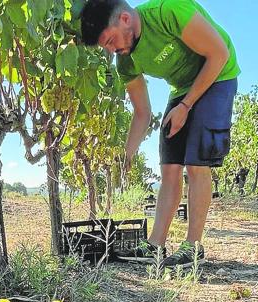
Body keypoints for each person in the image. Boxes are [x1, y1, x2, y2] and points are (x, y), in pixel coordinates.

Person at [81, 0, 240, 267]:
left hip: (217, 74)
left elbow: (219, 54)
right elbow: (142, 112)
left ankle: (193, 247)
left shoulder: (169, 12)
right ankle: (155, 246)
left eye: (110, 40)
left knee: (195, 164)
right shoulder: (125, 60)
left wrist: (186, 106)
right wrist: (127, 153)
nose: (112, 50)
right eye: (106, 47)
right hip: (181, 87)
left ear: (124, 19)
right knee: (169, 167)